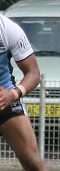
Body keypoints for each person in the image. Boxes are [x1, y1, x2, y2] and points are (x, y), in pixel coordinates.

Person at [0, 14, 47, 171]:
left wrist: (13, 94)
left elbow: (33, 73)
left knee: (33, 162)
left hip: (5, 100)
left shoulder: (8, 29)